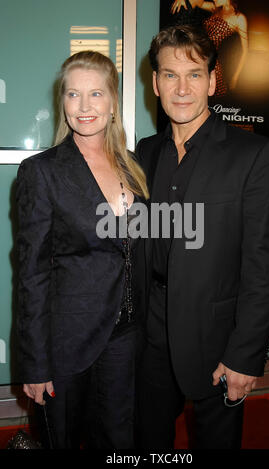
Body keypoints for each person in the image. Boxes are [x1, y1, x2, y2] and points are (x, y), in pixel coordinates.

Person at [135, 25, 269, 449]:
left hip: (218, 338)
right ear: (155, 82)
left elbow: (264, 266)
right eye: (170, 75)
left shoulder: (253, 155)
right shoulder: (145, 152)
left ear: (213, 80)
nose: (182, 88)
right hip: (151, 335)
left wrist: (246, 354)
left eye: (195, 74)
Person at [16, 50, 148, 449]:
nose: (84, 106)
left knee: (118, 439)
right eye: (73, 95)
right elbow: (31, 275)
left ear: (112, 103)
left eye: (96, 94)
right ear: (63, 103)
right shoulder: (43, 172)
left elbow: (136, 251)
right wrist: (36, 364)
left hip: (126, 337)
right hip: (67, 342)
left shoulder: (134, 168)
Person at [170, 0, 248, 95]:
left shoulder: (239, 18)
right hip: (196, 58)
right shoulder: (214, 8)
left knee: (209, 99)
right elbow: (196, 3)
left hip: (211, 64)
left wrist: (236, 77)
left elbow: (245, 51)